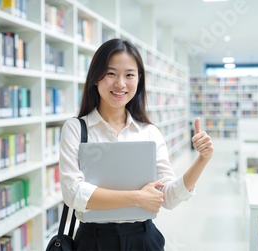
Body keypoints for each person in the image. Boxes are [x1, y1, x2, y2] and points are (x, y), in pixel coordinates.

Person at [59, 38, 213, 250]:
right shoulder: (76, 129)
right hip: (93, 241)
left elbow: (167, 197)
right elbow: (73, 193)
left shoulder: (149, 132)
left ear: (139, 79)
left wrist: (202, 160)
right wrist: (137, 198)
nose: (120, 83)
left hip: (143, 239)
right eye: (111, 73)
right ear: (95, 77)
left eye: (129, 75)